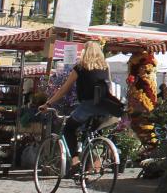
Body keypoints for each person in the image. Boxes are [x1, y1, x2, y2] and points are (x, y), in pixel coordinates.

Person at [39, 41, 123, 173]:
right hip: (106, 106)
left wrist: (48, 103)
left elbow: (64, 89)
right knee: (90, 134)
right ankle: (90, 166)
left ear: (84, 52)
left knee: (69, 129)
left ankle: (75, 161)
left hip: (87, 106)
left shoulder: (80, 67)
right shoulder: (105, 66)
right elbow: (109, 87)